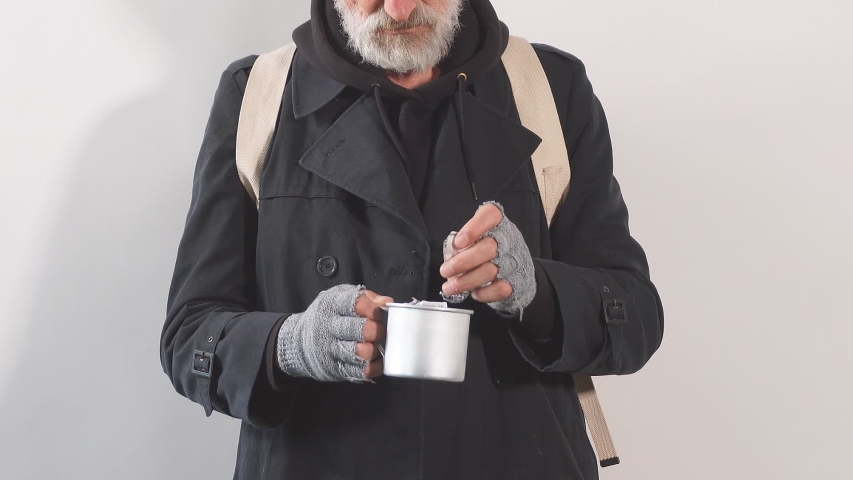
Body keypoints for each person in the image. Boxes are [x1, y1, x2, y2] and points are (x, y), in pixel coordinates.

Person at [160, 0, 664, 478]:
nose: (400, 11)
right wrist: (289, 346)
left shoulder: (550, 89)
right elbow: (189, 335)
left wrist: (537, 292)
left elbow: (637, 315)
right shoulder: (256, 95)